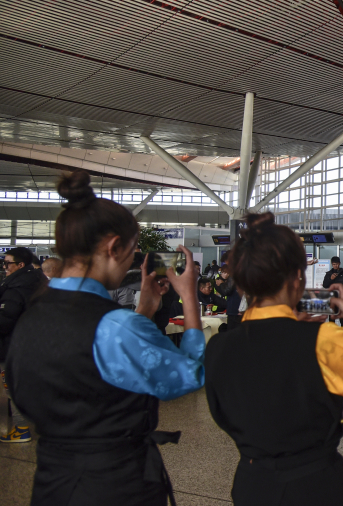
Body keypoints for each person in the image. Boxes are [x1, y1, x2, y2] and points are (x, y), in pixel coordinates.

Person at [5, 169, 204, 504]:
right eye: (132, 251)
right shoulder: (115, 325)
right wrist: (190, 299)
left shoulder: (33, 314)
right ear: (113, 247)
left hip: (53, 480)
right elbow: (189, 374)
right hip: (115, 483)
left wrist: (144, 309)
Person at [204, 213, 343, 506]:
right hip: (315, 486)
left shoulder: (218, 347)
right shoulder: (324, 340)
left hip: (251, 484)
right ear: (297, 278)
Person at [0, 247, 47, 444]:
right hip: (34, 344)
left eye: (7, 263)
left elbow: (5, 321)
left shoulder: (16, 288)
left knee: (12, 388)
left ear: (20, 265)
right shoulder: (38, 282)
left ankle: (21, 430)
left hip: (13, 347)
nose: (4, 267)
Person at [322, 256, 343, 327]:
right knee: (332, 318)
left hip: (342, 298)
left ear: (339, 263)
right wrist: (331, 279)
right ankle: (332, 332)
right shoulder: (328, 274)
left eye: (337, 264)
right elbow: (325, 285)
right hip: (332, 298)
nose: (336, 266)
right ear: (332, 264)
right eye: (334, 264)